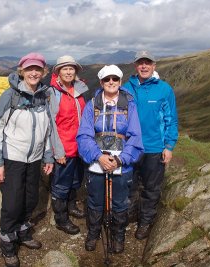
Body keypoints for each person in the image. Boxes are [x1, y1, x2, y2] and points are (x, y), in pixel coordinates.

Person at [0, 52, 54, 267]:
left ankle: (23, 233)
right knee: (12, 203)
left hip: (34, 159)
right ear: (22, 71)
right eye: (29, 69)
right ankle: (8, 245)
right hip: (13, 158)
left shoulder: (44, 95)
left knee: (30, 198)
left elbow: (47, 129)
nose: (34, 73)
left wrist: (48, 156)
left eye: (38, 69)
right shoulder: (11, 96)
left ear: (44, 72)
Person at [77, 65, 144, 253]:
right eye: (107, 79)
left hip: (122, 163)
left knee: (120, 202)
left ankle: (118, 235)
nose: (111, 82)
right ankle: (93, 232)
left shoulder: (129, 105)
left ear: (120, 82)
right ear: (101, 82)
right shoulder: (92, 105)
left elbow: (136, 137)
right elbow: (84, 136)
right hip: (97, 161)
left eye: (115, 79)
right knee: (95, 200)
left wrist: (121, 160)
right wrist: (99, 156)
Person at [123, 50, 178, 240]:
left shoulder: (164, 89)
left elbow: (172, 119)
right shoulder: (126, 88)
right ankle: (129, 215)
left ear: (154, 66)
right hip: (129, 148)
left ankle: (145, 221)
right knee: (128, 185)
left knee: (151, 188)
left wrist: (169, 146)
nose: (144, 66)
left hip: (154, 148)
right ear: (135, 66)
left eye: (148, 63)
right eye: (140, 63)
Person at [48, 55, 89, 235]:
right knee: (61, 185)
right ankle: (61, 219)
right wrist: (57, 151)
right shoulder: (52, 93)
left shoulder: (78, 90)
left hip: (79, 148)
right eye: (64, 68)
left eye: (71, 68)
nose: (69, 71)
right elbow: (50, 124)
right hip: (63, 148)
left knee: (75, 181)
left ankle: (71, 206)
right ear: (57, 71)